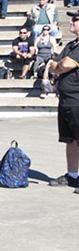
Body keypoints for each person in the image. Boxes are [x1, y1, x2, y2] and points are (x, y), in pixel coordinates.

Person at [47, 10, 79, 193]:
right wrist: (58, 65)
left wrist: (58, 66)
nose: (72, 21)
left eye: (75, 19)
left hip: (77, 99)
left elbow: (64, 65)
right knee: (71, 140)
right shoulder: (72, 45)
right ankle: (73, 176)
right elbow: (54, 64)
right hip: (67, 100)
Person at [35, 25, 61, 98]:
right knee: (38, 63)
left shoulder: (51, 38)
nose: (45, 31)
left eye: (47, 29)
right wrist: (47, 67)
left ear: (49, 30)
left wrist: (54, 57)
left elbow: (55, 48)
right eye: (44, 29)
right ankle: (35, 74)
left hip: (49, 55)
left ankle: (58, 92)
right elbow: (35, 46)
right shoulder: (38, 38)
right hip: (40, 56)